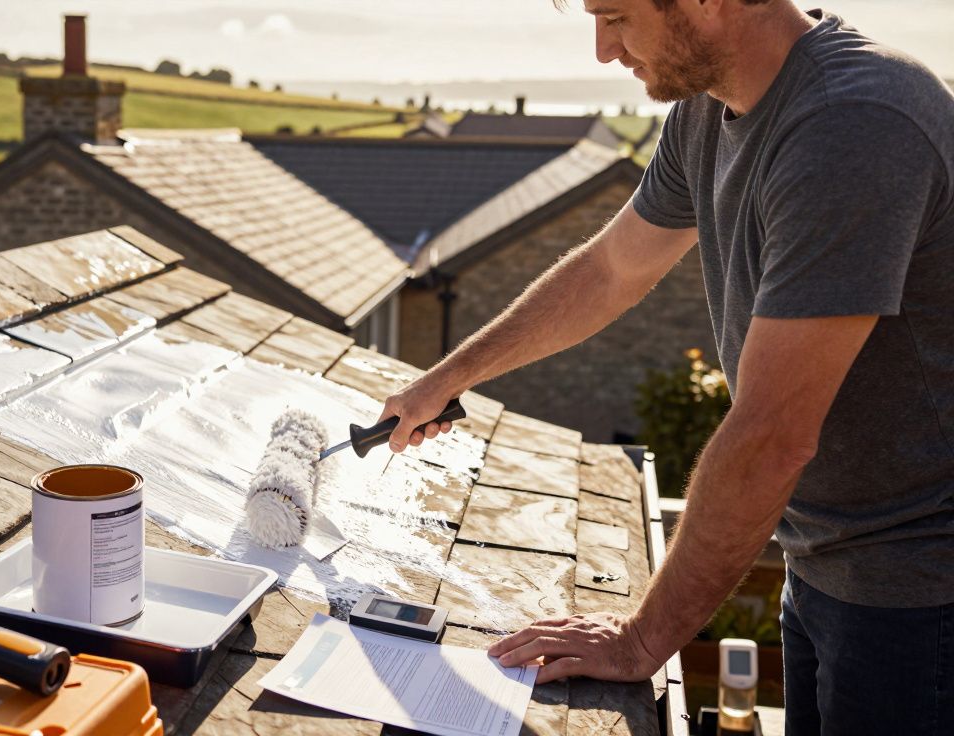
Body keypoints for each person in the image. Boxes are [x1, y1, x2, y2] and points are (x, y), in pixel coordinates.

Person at [378, 1, 954, 732]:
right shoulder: (706, 113)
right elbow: (610, 271)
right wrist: (444, 380)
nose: (601, 50)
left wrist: (642, 638)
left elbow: (772, 436)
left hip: (922, 593)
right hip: (823, 562)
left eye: (616, 16)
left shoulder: (856, 123)